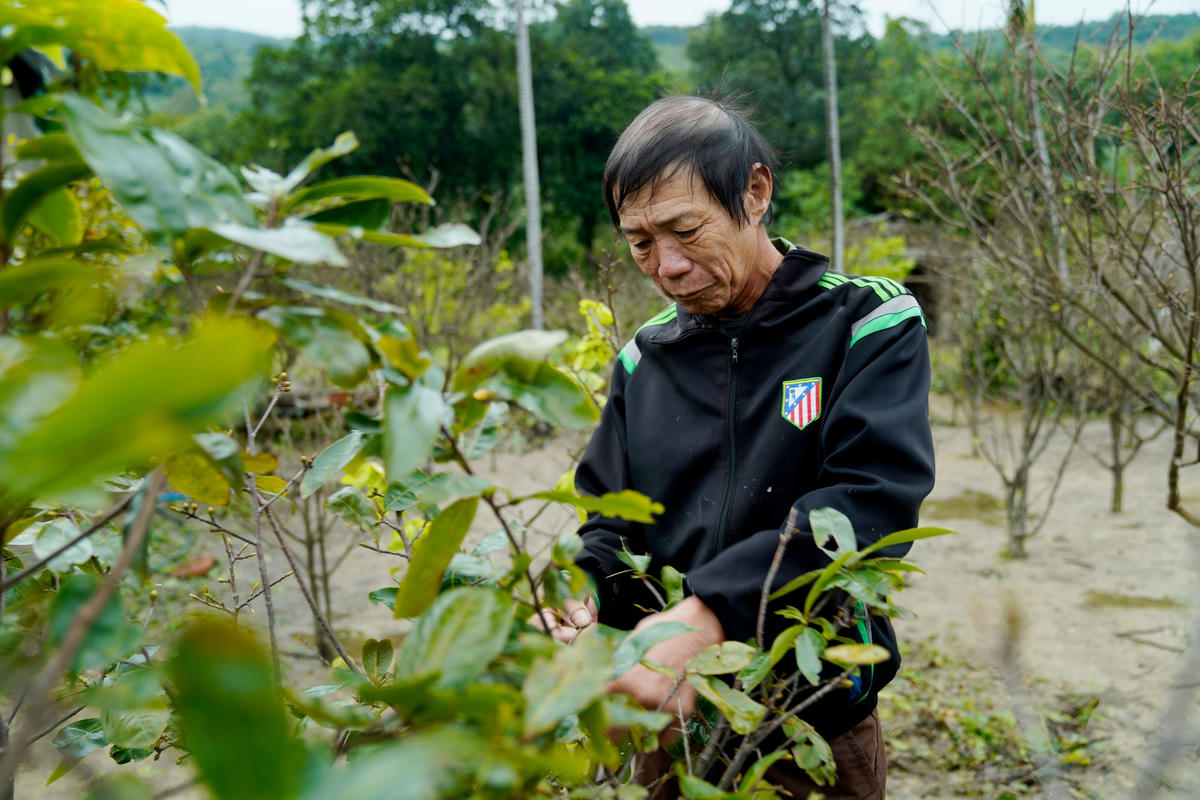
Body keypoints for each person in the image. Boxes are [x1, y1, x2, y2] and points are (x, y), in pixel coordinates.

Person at [542, 95, 936, 800]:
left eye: (685, 230)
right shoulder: (644, 360)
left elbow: (868, 500)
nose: (667, 266)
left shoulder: (865, 323)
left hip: (809, 721)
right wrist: (581, 587)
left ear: (755, 194)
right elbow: (609, 520)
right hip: (673, 725)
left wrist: (709, 614)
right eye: (639, 242)